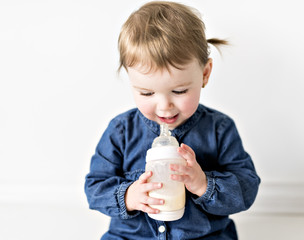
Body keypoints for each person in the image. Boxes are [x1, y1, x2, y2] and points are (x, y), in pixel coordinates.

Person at [84, 1, 260, 239]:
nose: (164, 106)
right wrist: (129, 196)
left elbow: (246, 189)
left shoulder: (219, 129)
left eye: (179, 92)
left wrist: (203, 184)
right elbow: (95, 188)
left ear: (205, 74)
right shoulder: (121, 131)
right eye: (146, 93)